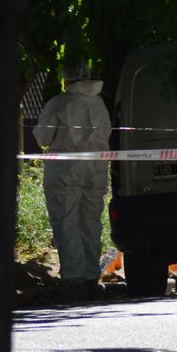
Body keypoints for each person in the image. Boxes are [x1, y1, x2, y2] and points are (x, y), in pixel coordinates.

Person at [33, 63, 112, 296]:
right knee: (90, 222)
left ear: (66, 79)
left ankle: (73, 278)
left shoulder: (59, 103)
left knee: (66, 222)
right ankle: (90, 277)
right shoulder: (99, 103)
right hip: (96, 168)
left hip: (65, 169)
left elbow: (43, 138)